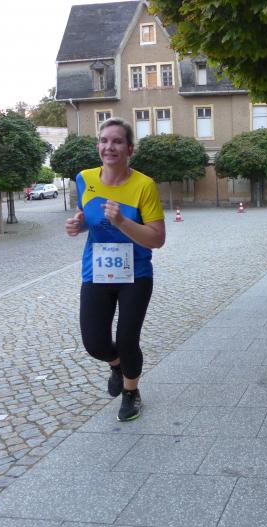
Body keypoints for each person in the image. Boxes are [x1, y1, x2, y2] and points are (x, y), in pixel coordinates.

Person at [65, 117, 165, 422]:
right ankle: (117, 366)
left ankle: (131, 392)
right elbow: (88, 216)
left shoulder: (144, 185)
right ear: (98, 146)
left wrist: (121, 221)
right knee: (94, 342)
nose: (109, 147)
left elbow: (157, 238)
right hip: (96, 271)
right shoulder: (84, 178)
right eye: (104, 140)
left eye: (117, 141)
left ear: (129, 149)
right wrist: (79, 225)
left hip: (136, 273)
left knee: (126, 339)